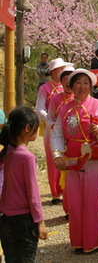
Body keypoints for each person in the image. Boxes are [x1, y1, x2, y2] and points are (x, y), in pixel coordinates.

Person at [51, 69, 98, 254]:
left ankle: (93, 240)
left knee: (92, 200)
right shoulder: (64, 108)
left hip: (92, 159)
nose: (82, 86)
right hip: (71, 160)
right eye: (78, 82)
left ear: (91, 86)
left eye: (86, 83)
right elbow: (57, 133)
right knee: (75, 202)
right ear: (71, 86)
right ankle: (78, 241)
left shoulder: (97, 105)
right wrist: (57, 154)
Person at [0, 106, 48, 262]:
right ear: (28, 129)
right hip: (23, 221)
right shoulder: (27, 157)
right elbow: (33, 194)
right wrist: (40, 222)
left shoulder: (7, 152)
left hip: (6, 220)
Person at [35, 57, 73, 204]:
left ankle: (67, 190)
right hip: (51, 128)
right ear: (52, 72)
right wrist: (50, 122)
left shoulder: (70, 87)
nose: (62, 71)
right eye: (59, 69)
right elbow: (39, 108)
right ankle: (55, 193)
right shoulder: (45, 88)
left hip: (69, 128)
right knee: (53, 160)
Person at [46, 65, 75, 217]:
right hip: (60, 140)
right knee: (64, 175)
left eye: (71, 80)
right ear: (61, 82)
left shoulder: (80, 98)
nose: (68, 83)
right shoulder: (56, 99)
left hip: (75, 141)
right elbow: (50, 116)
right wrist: (53, 126)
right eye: (65, 80)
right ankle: (68, 208)